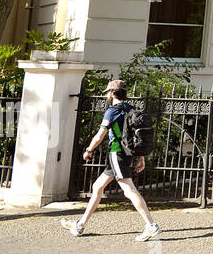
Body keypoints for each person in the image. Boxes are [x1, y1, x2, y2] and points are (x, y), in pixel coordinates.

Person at [61, 79, 160, 241]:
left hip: (117, 154)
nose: (107, 95)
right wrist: (140, 157)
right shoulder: (130, 109)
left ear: (112, 93)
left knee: (129, 190)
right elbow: (136, 134)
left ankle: (151, 225)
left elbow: (100, 135)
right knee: (97, 186)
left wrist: (88, 150)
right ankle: (80, 225)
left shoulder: (112, 111)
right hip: (125, 154)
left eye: (108, 92)